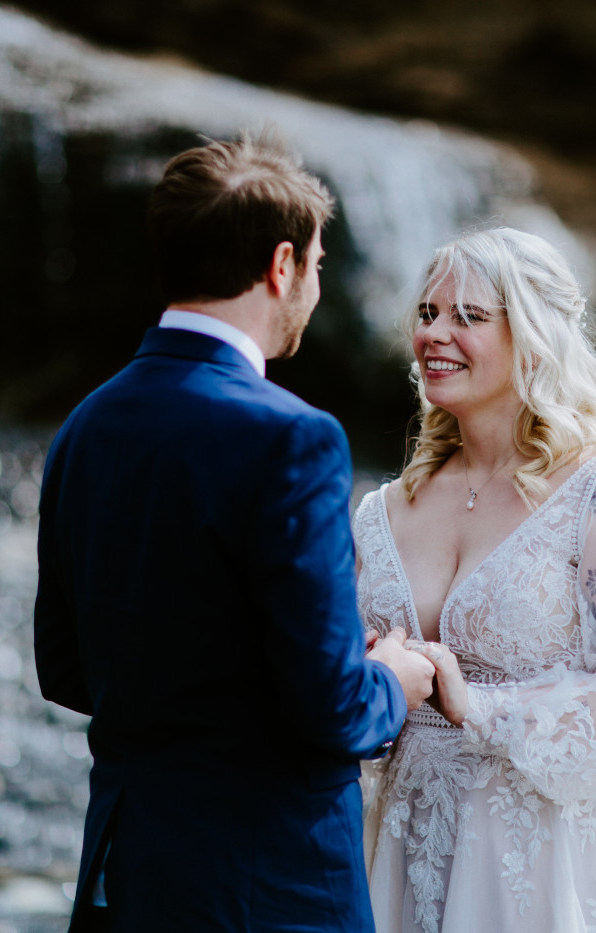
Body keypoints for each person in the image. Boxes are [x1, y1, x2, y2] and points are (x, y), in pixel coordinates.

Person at [34, 134, 436, 933]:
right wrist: (393, 676)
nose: (315, 289)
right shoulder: (294, 439)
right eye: (318, 267)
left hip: (131, 870)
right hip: (269, 885)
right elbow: (334, 710)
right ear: (281, 264)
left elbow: (65, 668)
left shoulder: (84, 426)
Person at [354, 228, 596, 932]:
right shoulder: (381, 510)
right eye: (428, 313)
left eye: (469, 316)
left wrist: (482, 709)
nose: (436, 333)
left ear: (535, 336)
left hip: (558, 861)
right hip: (406, 841)